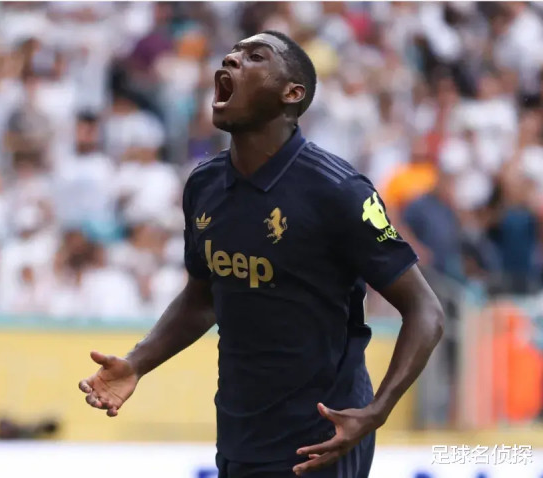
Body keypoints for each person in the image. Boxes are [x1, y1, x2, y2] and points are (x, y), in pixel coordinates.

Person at [78, 30, 444, 478]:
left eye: (255, 56)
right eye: (232, 53)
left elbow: (425, 310)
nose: (231, 59)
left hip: (322, 441)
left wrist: (376, 412)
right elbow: (203, 297)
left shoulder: (338, 190)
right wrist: (137, 363)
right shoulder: (204, 185)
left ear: (292, 94)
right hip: (239, 439)